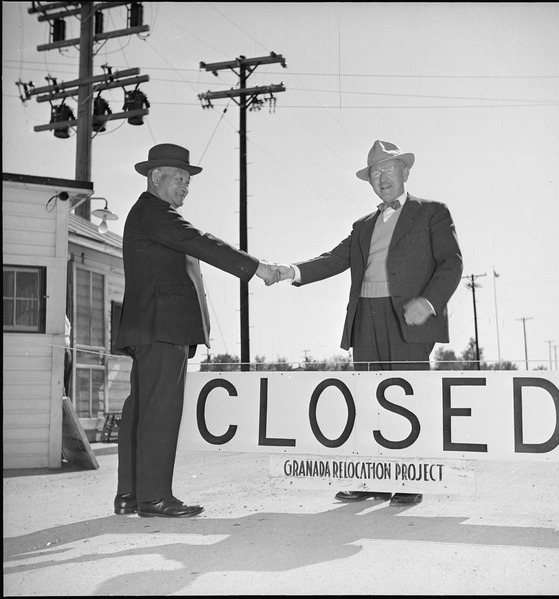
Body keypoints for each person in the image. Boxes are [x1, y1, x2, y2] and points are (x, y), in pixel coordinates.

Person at [273, 140, 463, 506]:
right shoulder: (362, 226)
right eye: (374, 173)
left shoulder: (433, 213)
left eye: (388, 169)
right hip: (365, 315)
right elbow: (333, 258)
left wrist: (429, 301)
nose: (382, 177)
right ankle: (372, 479)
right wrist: (290, 271)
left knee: (405, 395)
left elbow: (451, 264)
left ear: (405, 172)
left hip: (407, 317)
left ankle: (408, 480)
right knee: (367, 399)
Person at [113, 143, 279, 518]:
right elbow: (201, 243)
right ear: (156, 177)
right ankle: (154, 498)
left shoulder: (150, 214)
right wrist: (257, 268)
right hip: (162, 327)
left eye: (188, 181)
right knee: (159, 411)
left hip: (150, 327)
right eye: (180, 179)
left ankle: (131, 494)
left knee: (141, 410)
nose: (186, 187)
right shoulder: (156, 213)